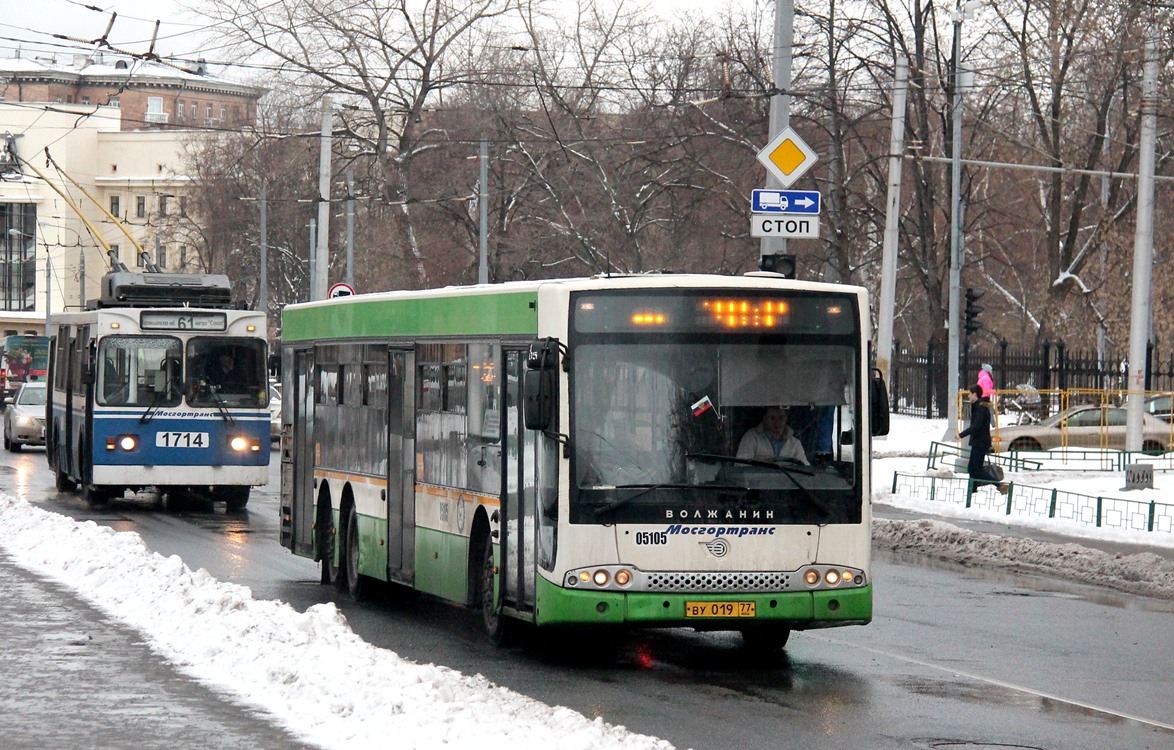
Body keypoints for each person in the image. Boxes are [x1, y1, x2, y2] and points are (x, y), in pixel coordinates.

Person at [957, 384, 1007, 495]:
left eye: (970, 394)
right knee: (972, 468)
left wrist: (961, 435)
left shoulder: (979, 408)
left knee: (976, 469)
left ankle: (999, 485)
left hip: (980, 442)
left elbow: (976, 426)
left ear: (974, 394)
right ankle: (972, 490)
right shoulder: (979, 406)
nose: (968, 396)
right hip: (979, 442)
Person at [736, 406, 809, 465]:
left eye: (781, 418)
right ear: (765, 419)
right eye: (772, 418)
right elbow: (741, 467)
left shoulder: (795, 443)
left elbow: (805, 469)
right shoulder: (751, 437)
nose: (777, 423)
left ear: (786, 418)